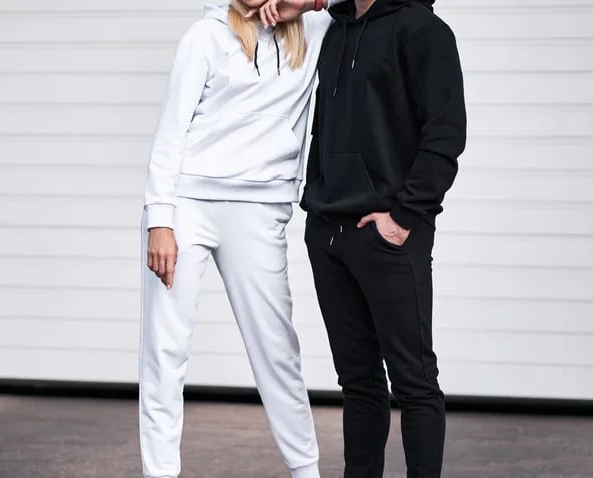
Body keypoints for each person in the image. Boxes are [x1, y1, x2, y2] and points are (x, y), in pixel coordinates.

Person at [139, 1, 338, 477]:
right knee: (165, 351)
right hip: (188, 205)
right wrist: (160, 219)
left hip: (260, 209)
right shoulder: (205, 37)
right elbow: (171, 132)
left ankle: (306, 471)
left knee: (276, 350)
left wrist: (299, 2)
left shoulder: (314, 29)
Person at [278, 0, 465, 476]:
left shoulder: (424, 31)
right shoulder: (334, 30)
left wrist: (404, 217)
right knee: (359, 384)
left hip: (389, 237)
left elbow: (445, 135)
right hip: (329, 234)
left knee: (414, 383)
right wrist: (316, 205)